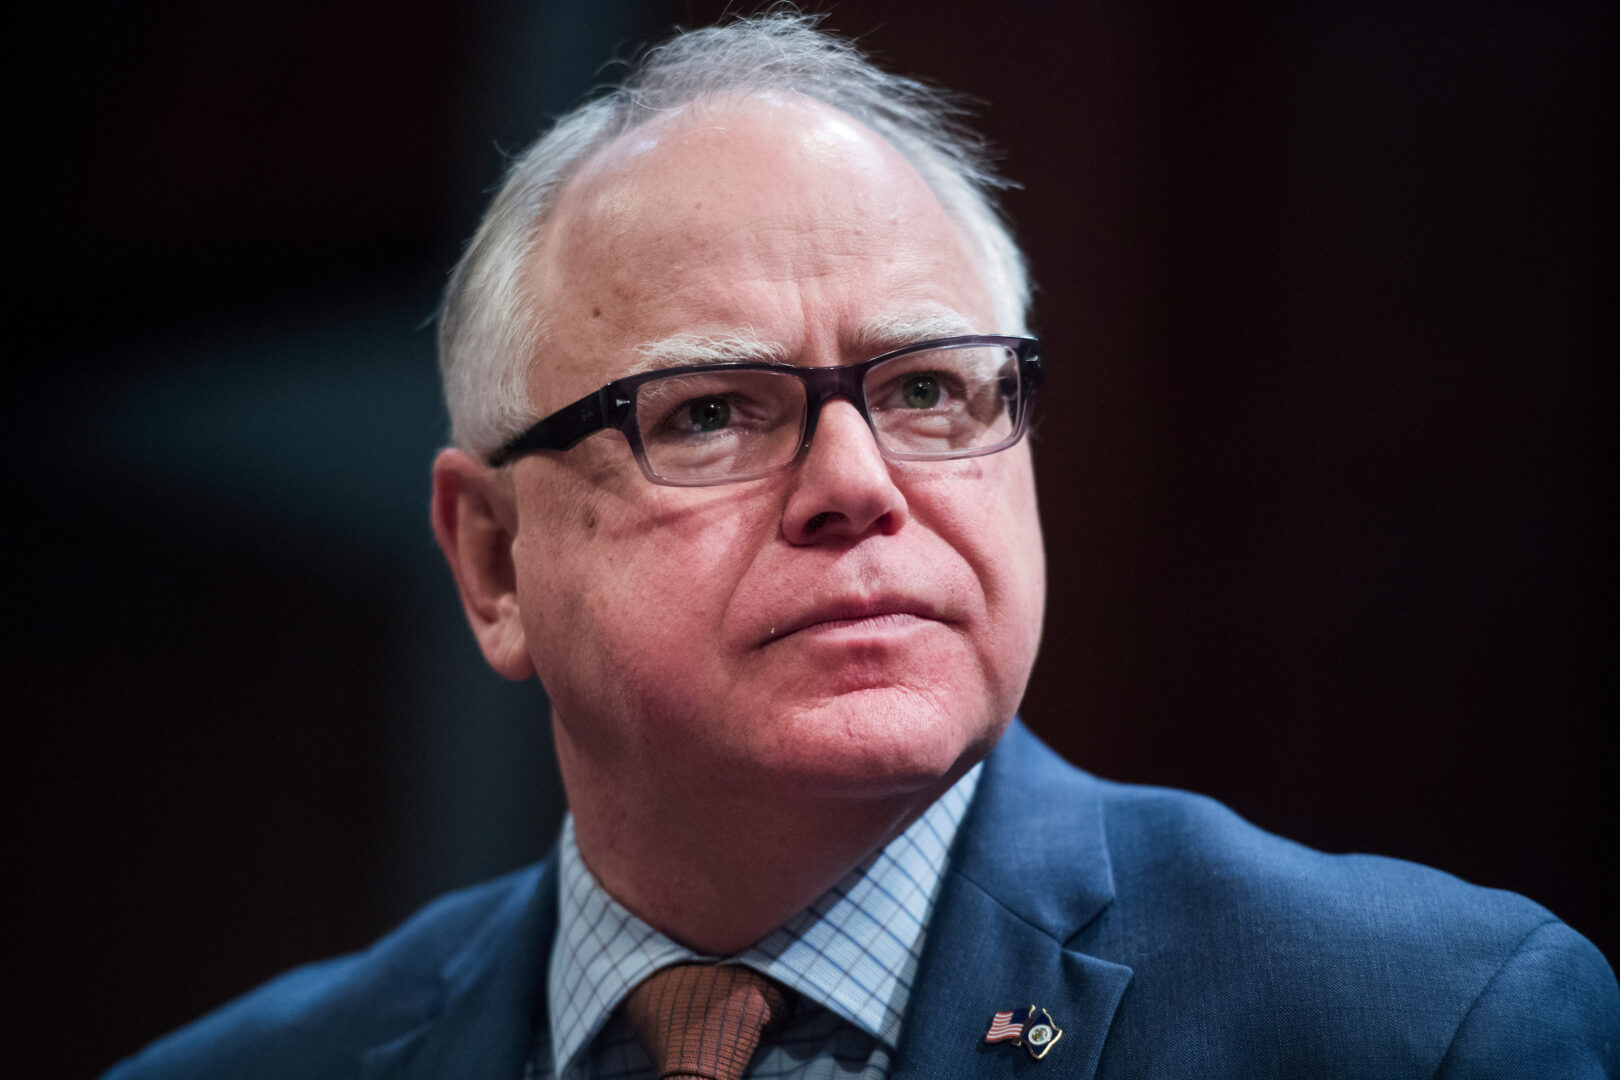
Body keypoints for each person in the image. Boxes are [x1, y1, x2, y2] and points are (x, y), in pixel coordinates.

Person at [104, 12, 1618, 1079]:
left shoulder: (1421, 1029)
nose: (859, 484)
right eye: (707, 414)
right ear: (491, 559)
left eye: (928, 390)